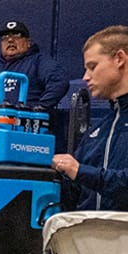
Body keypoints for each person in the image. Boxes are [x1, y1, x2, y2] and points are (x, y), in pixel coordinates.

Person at [53, 25, 128, 211]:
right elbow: (74, 188)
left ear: (119, 58)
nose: (86, 77)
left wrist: (79, 171)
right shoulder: (97, 131)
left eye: (92, 67)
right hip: (89, 236)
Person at [0, 20, 69, 110]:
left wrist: (39, 108)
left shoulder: (38, 61)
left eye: (17, 35)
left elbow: (59, 82)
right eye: (5, 37)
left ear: (28, 42)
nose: (10, 40)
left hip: (22, 125)